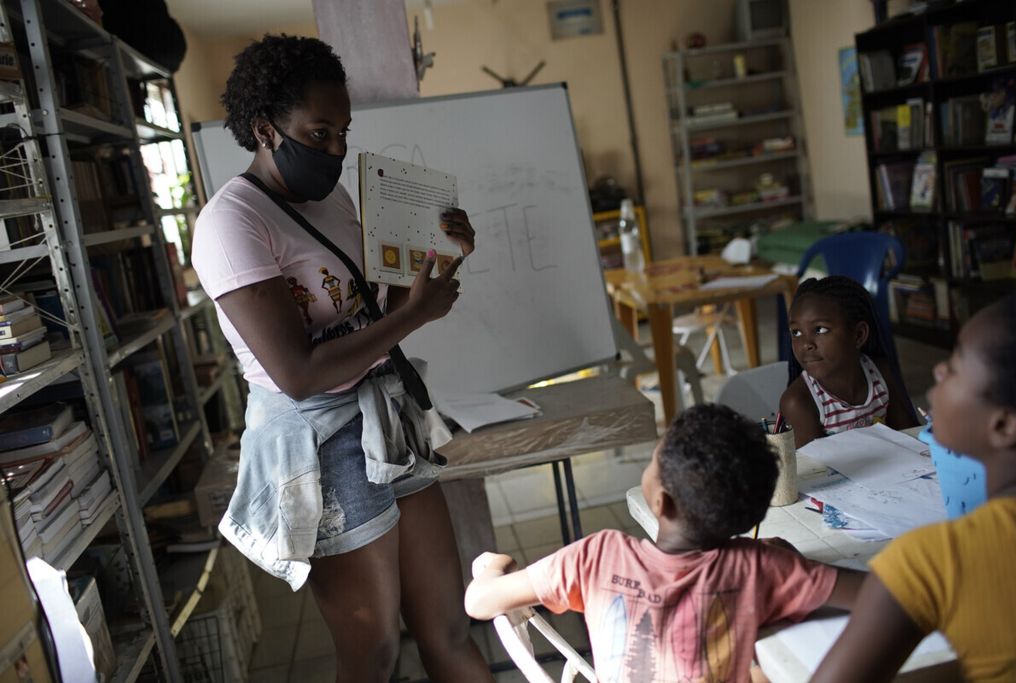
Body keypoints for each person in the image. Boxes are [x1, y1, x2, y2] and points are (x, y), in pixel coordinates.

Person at [190, 35, 492, 682]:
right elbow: (297, 373)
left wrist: (440, 256)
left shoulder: (336, 198)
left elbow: (371, 311)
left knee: (447, 624)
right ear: (265, 129)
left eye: (343, 131)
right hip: (319, 438)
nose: (335, 149)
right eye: (319, 132)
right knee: (374, 650)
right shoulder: (231, 223)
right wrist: (416, 314)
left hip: (383, 413)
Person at [465, 404, 864, 683]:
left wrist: (495, 563)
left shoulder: (598, 555)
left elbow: (478, 603)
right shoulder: (759, 568)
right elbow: (882, 592)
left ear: (661, 501)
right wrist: (789, 570)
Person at [811, 288, 1016, 683]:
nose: (938, 371)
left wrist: (804, 578)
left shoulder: (941, 559)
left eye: (956, 366)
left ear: (1005, 425)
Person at [780, 276, 917, 449]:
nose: (806, 344)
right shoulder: (799, 401)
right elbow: (814, 472)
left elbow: (910, 436)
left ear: (859, 335)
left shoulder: (879, 373)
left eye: (820, 329)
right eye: (796, 332)